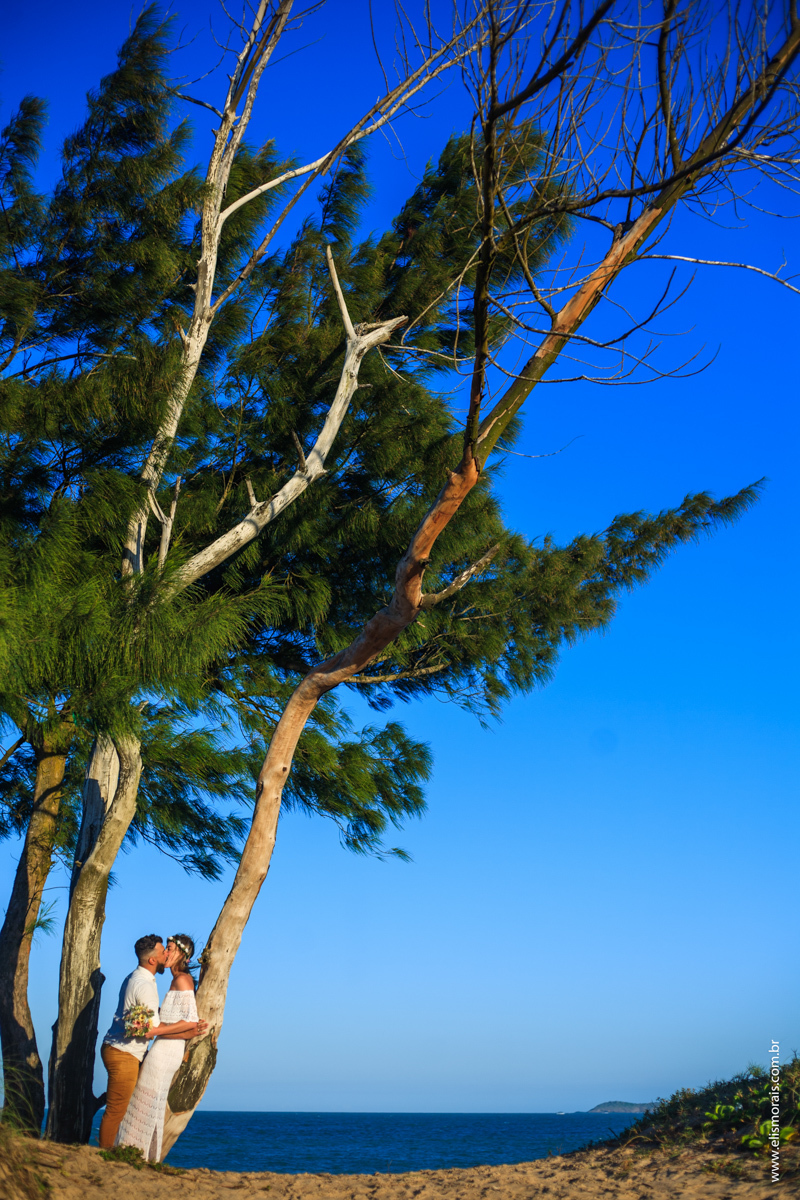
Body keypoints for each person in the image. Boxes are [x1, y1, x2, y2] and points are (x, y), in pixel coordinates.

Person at [98, 934, 206, 1149]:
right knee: (120, 1108)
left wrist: (176, 1029)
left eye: (170, 948)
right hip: (124, 1052)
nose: (166, 952)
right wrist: (186, 1033)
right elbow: (153, 1028)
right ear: (153, 960)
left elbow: (160, 1024)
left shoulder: (138, 978)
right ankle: (108, 1156)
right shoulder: (145, 985)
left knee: (129, 1105)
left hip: (127, 1050)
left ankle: (125, 1152)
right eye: (163, 949)